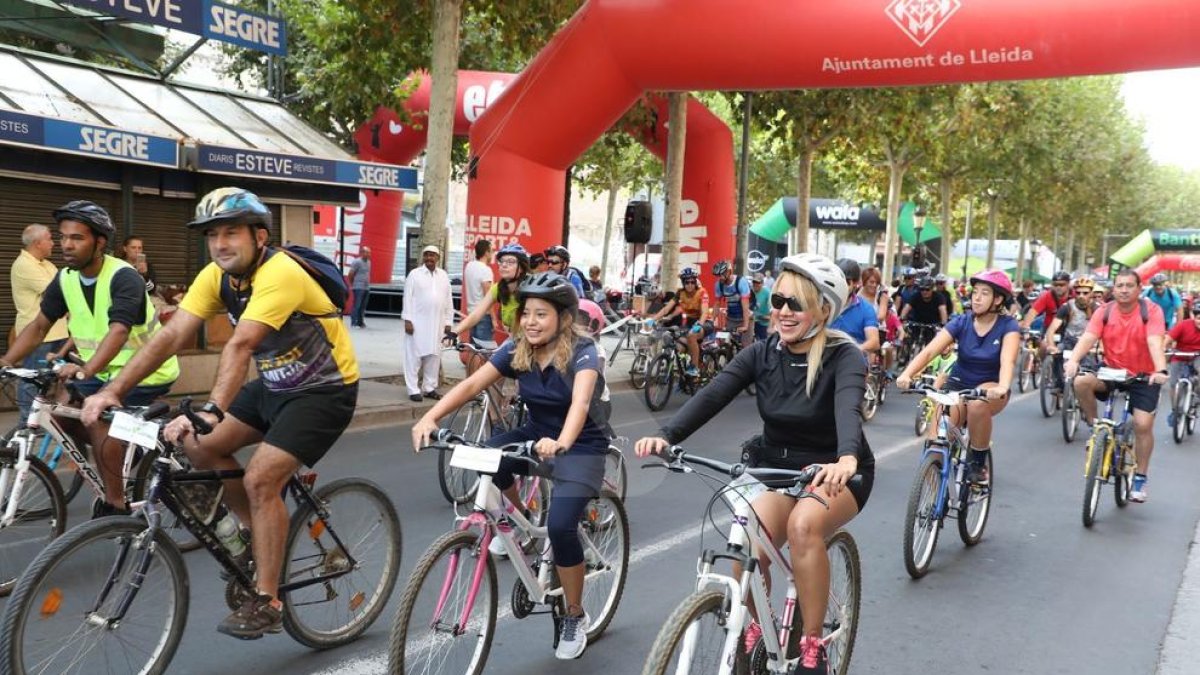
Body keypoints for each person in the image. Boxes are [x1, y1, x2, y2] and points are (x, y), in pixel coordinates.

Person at [81, 187, 359, 639]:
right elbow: (170, 338)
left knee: (261, 478)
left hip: (322, 390)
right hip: (273, 384)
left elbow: (241, 344)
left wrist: (211, 408)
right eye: (212, 235)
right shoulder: (217, 277)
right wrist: (113, 390)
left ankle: (267, 599)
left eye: (231, 232)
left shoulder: (280, 272)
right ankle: (253, 533)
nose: (220, 244)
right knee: (196, 445)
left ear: (260, 236)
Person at [635, 253, 873, 675]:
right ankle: (758, 628)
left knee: (803, 527)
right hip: (775, 468)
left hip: (835, 470)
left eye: (795, 303)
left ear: (823, 308)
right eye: (778, 301)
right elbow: (713, 394)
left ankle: (812, 645)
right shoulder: (761, 354)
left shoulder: (844, 357)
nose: (782, 311)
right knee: (746, 537)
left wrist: (847, 457)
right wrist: (667, 436)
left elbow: (848, 409)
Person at [412, 272, 608, 660]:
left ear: (563, 318)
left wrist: (563, 442)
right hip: (536, 432)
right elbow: (471, 386)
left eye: (542, 314)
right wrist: (429, 418)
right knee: (488, 458)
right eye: (527, 314)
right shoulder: (519, 349)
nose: (531, 322)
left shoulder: (584, 352)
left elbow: (581, 404)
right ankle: (517, 521)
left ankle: (573, 613)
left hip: (581, 444)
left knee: (561, 526)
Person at [3, 202, 179, 514]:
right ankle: (124, 448)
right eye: (63, 237)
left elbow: (119, 331)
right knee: (58, 415)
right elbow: (40, 325)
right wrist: (6, 362)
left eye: (77, 238)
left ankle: (116, 503)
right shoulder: (66, 278)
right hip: (101, 371)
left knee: (96, 418)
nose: (67, 245)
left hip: (145, 370)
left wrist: (85, 369)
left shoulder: (124, 277)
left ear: (99, 242)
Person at [896, 269, 1020, 483]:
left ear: (998, 299)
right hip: (957, 385)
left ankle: (978, 464)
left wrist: (1002, 386)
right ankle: (932, 502)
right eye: (975, 292)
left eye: (984, 293)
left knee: (977, 405)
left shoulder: (1008, 326)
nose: (977, 298)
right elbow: (929, 351)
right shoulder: (961, 322)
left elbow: (1007, 361)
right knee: (935, 445)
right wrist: (907, 373)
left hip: (989, 388)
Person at [1064, 269, 1169, 502]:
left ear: (1139, 289)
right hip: (1112, 371)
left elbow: (1154, 342)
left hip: (1144, 376)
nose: (1123, 290)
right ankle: (1095, 430)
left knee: (1143, 425)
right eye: (1119, 285)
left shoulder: (1150, 311)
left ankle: (1140, 477)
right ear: (1114, 288)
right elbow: (1089, 338)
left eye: (1129, 285)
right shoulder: (1104, 310)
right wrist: (1073, 360)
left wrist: (1160, 369)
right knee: (1081, 381)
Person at [9, 223, 68, 420]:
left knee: (58, 379)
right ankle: (27, 422)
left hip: (59, 332)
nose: (54, 243)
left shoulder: (47, 264)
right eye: (50, 239)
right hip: (39, 335)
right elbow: (57, 293)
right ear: (37, 243)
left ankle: (51, 421)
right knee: (32, 379)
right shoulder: (24, 265)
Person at [403, 245, 454, 402]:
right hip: (417, 322)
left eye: (432, 255)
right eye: (426, 255)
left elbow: (448, 300)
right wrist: (407, 320)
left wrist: (448, 322)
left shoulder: (443, 276)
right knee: (414, 356)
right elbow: (407, 297)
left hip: (437, 323)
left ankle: (429, 387)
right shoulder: (415, 274)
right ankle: (413, 389)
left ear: (438, 258)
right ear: (423, 257)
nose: (429, 258)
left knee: (434, 355)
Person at [453, 243, 530, 340]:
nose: (504, 265)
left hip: (531, 342)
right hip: (514, 340)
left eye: (510, 262)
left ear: (522, 268)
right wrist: (454, 332)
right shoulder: (498, 288)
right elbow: (477, 313)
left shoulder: (530, 289)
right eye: (501, 261)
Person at [649, 267, 711, 376]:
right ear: (683, 282)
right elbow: (666, 309)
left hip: (704, 322)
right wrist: (653, 319)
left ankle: (695, 368)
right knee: (679, 345)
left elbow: (705, 312)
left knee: (691, 336)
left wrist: (700, 324)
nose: (690, 284)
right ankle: (683, 369)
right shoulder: (680, 293)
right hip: (690, 323)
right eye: (687, 282)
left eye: (692, 281)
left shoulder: (702, 292)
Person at [1044, 276, 1098, 389]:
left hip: (1088, 345)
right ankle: (1058, 382)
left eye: (1085, 293)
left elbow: (1105, 332)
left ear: (1092, 293)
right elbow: (1051, 329)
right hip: (1069, 341)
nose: (1081, 296)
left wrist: (1101, 348)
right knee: (1056, 355)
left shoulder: (1098, 309)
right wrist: (1051, 346)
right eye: (1078, 293)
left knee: (1091, 367)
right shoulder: (1067, 306)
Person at [1162, 298, 1200, 428]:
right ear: (1193, 317)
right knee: (1173, 383)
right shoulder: (1184, 325)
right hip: (1180, 355)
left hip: (1197, 356)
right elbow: (1168, 338)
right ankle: (1175, 410)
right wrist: (1163, 347)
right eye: (1198, 318)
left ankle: (1196, 399)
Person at [829, 259, 880, 352]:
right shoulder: (823, 304)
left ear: (856, 283)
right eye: (837, 280)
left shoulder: (866, 309)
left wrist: (853, 351)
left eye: (846, 281)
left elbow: (874, 342)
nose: (841, 285)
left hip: (852, 361)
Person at [463, 239, 495, 343]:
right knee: (484, 351)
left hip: (471, 313)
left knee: (474, 350)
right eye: (492, 251)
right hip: (483, 315)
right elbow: (488, 296)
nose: (493, 254)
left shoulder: (469, 266)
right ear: (486, 252)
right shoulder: (486, 270)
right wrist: (494, 319)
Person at [712, 259, 752, 343]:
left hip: (746, 318)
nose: (720, 278)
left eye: (722, 274)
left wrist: (745, 326)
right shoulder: (718, 285)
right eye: (718, 275)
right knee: (725, 343)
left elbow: (745, 307)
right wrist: (712, 320)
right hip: (731, 318)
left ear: (729, 272)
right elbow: (717, 304)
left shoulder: (741, 282)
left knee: (746, 348)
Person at [347, 246, 372, 328]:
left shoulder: (369, 262)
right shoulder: (357, 262)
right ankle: (354, 322)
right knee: (357, 305)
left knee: (363, 306)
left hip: (366, 287)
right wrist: (353, 284)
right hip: (358, 287)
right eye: (367, 252)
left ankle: (360, 322)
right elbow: (350, 274)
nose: (368, 254)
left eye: (369, 253)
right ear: (362, 253)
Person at [750, 272, 772, 341]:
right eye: (754, 282)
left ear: (762, 283)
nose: (755, 284)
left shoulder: (767, 292)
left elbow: (772, 308)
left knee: (762, 343)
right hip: (751, 321)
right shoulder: (749, 291)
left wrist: (768, 317)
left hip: (763, 322)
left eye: (758, 282)